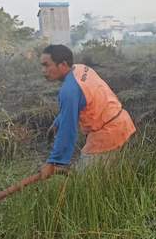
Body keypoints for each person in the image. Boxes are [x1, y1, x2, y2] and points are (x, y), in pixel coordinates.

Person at [38, 44, 136, 179]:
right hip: (122, 122)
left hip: (107, 134)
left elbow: (68, 130)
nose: (43, 70)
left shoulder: (69, 91)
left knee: (83, 184)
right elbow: (79, 102)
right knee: (112, 177)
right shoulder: (81, 69)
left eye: (46, 65)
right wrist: (57, 122)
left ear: (63, 64)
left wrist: (54, 162)